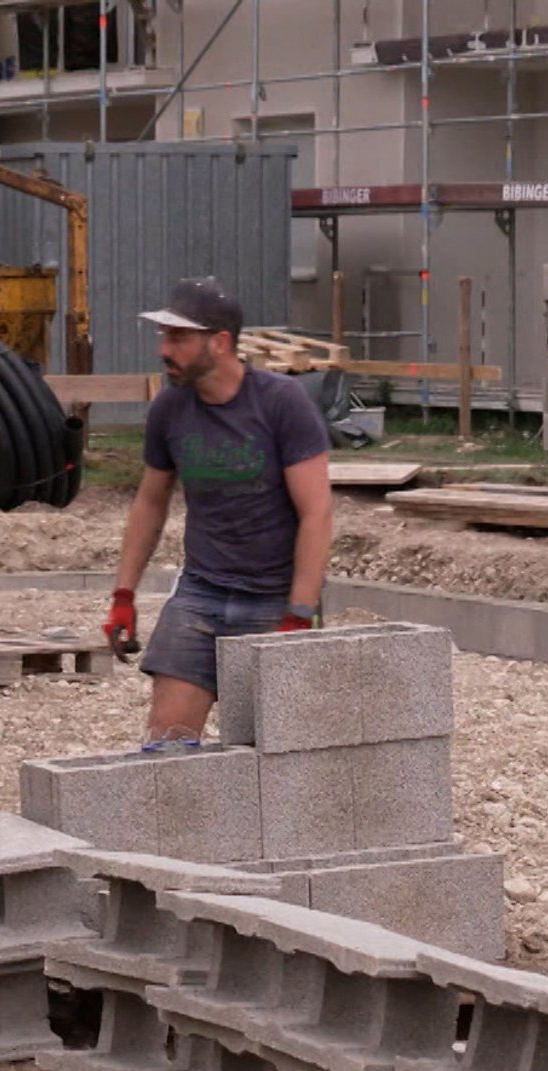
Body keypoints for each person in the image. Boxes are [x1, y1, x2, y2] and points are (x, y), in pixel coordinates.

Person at [104, 277, 334, 744]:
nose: (163, 350)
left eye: (178, 338)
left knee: (272, 753)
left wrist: (298, 614)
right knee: (166, 744)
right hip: (201, 596)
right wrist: (123, 596)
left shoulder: (281, 403)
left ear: (220, 342)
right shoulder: (170, 408)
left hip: (273, 599)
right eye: (164, 337)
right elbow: (150, 501)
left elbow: (317, 513)